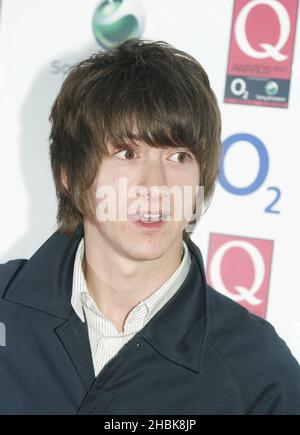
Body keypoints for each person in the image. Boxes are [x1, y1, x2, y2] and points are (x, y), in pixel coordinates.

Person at [0, 37, 299, 415]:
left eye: (178, 156)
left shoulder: (258, 369)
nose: (156, 185)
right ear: (69, 175)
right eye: (127, 153)